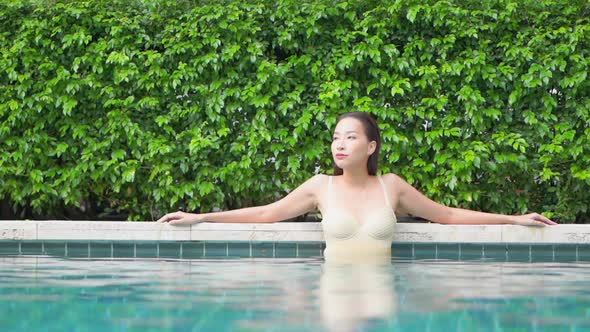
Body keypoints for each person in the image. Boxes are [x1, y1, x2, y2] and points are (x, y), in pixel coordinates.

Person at [157, 112, 557, 259]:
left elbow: (447, 215)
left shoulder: (391, 186)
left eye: (349, 137)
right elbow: (267, 213)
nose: (339, 144)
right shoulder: (320, 187)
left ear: (371, 146)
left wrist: (514, 219)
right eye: (335, 137)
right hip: (334, 291)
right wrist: (202, 216)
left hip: (382, 289)